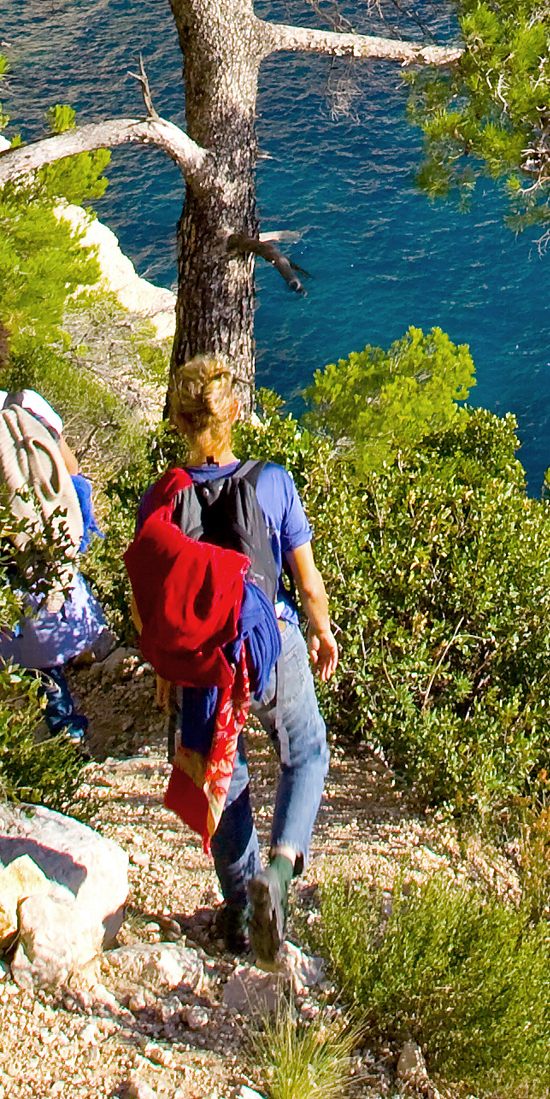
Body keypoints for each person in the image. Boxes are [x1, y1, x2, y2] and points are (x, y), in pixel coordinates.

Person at [160, 350, 338, 963]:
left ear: (180, 423)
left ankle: (238, 906)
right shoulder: (273, 481)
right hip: (267, 645)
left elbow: (152, 597)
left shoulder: (163, 496)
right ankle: (281, 875)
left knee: (225, 778)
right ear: (234, 412)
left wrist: (166, 673)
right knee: (306, 747)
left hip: (200, 663)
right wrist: (321, 632)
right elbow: (306, 579)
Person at [0, 310, 106, 745]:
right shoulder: (30, 404)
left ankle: (50, 731)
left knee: (23, 662)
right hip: (57, 555)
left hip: (8, 571)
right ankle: (66, 716)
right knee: (47, 656)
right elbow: (72, 471)